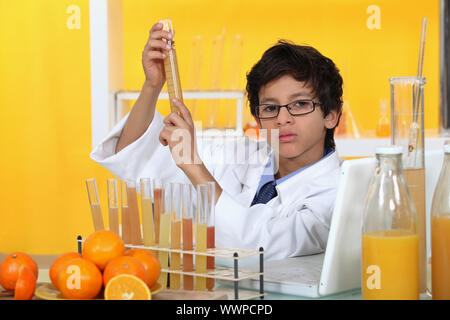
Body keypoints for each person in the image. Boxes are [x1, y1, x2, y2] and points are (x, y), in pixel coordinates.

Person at [91, 22, 343, 261]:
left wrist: (194, 167)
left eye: (300, 104)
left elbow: (254, 245)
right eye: (270, 108)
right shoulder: (243, 155)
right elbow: (137, 153)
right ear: (257, 118)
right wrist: (152, 85)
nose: (283, 119)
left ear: (331, 115)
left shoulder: (338, 196)